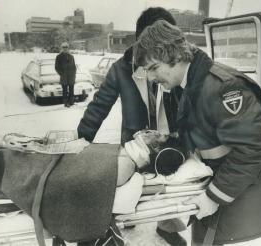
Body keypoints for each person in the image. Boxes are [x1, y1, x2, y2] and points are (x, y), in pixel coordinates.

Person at [133, 20, 261, 245]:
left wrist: (213, 196)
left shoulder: (225, 88)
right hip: (221, 187)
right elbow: (206, 133)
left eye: (153, 68)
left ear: (175, 55)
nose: (151, 78)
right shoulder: (187, 84)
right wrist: (169, 142)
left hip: (240, 199)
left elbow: (252, 152)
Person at [77, 7, 187, 246]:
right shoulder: (121, 68)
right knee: (123, 192)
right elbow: (99, 106)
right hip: (134, 141)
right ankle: (113, 227)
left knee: (169, 186)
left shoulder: (177, 63)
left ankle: (167, 226)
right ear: (141, 40)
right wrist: (80, 141)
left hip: (168, 138)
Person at [55, 42, 76, 107]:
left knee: (71, 89)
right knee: (65, 90)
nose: (65, 49)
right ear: (62, 48)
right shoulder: (59, 56)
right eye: (64, 47)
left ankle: (72, 102)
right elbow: (57, 67)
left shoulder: (71, 56)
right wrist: (61, 73)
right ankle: (66, 103)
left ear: (68, 48)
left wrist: (74, 73)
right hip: (64, 77)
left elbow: (74, 66)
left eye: (66, 47)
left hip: (71, 76)